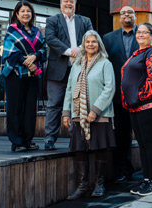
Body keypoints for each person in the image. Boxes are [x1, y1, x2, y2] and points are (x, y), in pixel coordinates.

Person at [62, 30, 116, 199]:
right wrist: (66, 112)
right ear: (83, 45)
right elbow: (70, 89)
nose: (90, 44)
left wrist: (95, 110)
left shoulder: (105, 63)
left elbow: (110, 88)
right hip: (79, 113)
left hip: (100, 113)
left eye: (94, 41)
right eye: (87, 42)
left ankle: (99, 184)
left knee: (100, 147)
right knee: (80, 148)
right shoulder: (76, 65)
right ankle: (83, 185)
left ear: (99, 43)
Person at [120, 22, 152, 197]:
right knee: (143, 144)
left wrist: (138, 98)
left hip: (149, 106)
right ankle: (147, 179)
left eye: (145, 32)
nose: (140, 35)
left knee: (151, 143)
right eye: (138, 32)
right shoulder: (136, 53)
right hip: (135, 108)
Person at [44, 0, 93, 150]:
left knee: (78, 104)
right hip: (57, 69)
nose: (68, 4)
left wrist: (79, 49)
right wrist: (69, 51)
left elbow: (91, 36)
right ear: (61, 4)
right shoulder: (52, 20)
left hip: (79, 69)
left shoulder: (85, 21)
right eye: (66, 1)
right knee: (54, 104)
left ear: (75, 4)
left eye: (71, 1)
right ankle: (50, 138)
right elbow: (50, 39)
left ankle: (76, 137)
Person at [1, 0, 47, 152]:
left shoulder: (37, 31)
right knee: (15, 108)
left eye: (28, 11)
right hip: (15, 75)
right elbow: (10, 52)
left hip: (32, 76)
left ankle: (28, 140)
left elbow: (44, 49)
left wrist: (34, 56)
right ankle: (16, 142)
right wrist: (27, 62)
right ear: (17, 14)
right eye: (23, 11)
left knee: (29, 109)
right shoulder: (11, 30)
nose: (26, 14)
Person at [102, 6, 139, 182]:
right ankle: (123, 170)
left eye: (130, 13)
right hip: (117, 96)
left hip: (141, 95)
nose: (126, 15)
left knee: (145, 134)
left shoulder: (144, 35)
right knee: (121, 135)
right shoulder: (108, 39)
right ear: (119, 17)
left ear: (135, 17)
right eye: (123, 13)